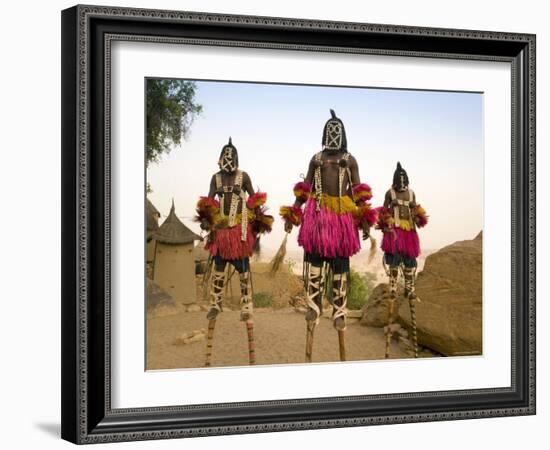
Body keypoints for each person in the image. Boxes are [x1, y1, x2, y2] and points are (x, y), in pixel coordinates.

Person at [280, 110, 377, 362]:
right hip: (318, 215)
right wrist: (293, 215)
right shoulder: (315, 159)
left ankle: (339, 308)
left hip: (341, 218)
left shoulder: (350, 160)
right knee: (313, 259)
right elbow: (304, 190)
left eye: (337, 130)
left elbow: (358, 193)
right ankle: (314, 305)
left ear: (343, 135)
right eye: (329, 130)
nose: (333, 134)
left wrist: (365, 223)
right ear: (324, 134)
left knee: (339, 263)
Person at [195, 137, 273, 366]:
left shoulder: (243, 177)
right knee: (219, 265)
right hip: (221, 231)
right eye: (224, 156)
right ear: (220, 159)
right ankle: (216, 302)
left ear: (236, 159)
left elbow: (254, 201)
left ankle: (246, 304)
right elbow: (209, 200)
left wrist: (259, 220)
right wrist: (206, 220)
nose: (228, 160)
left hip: (239, 230)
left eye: (231, 156)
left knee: (242, 267)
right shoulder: (216, 178)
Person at [375, 162, 428, 358]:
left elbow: (416, 210)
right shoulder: (390, 193)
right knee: (394, 259)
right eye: (400, 180)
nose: (403, 184)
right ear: (395, 181)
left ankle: (409, 287)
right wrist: (386, 225)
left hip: (409, 232)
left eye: (405, 180)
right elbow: (384, 211)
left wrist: (418, 216)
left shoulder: (412, 194)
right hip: (395, 231)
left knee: (409, 260)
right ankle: (392, 285)